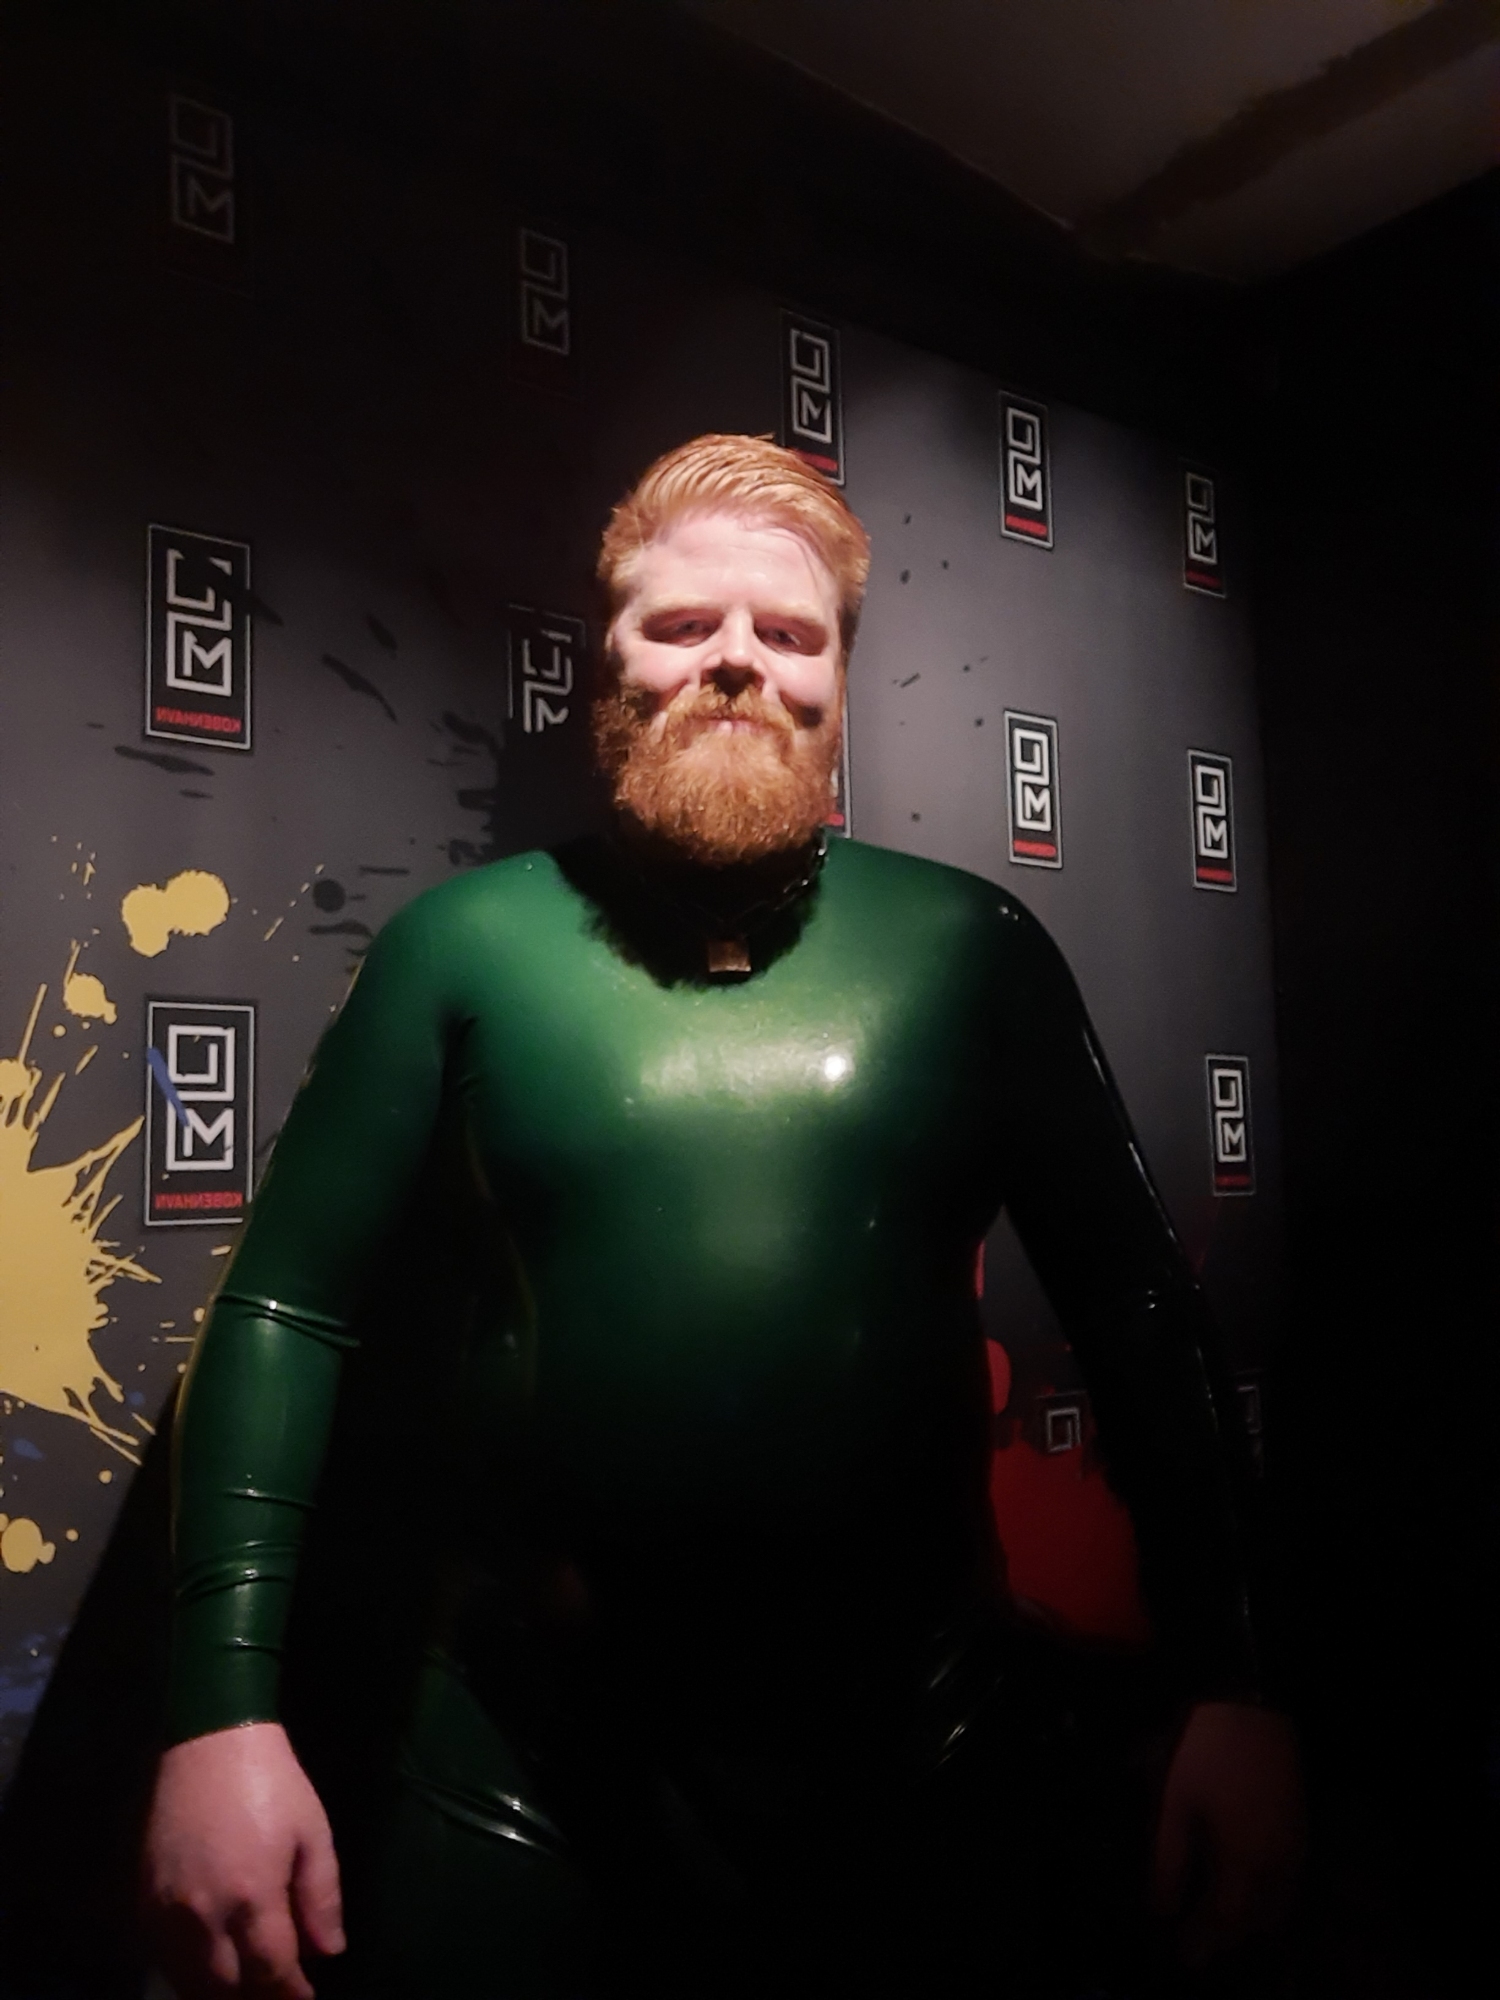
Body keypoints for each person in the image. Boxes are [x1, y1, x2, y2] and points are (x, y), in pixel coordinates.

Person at [144, 435, 1302, 1999]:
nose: (738, 660)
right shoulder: (459, 950)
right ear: (607, 664)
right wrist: (220, 1715)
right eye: (683, 623)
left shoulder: (976, 948)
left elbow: (1142, 1313)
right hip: (518, 1766)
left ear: (840, 685)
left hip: (929, 1758)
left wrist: (1237, 1681)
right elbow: (288, 1312)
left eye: (790, 631)